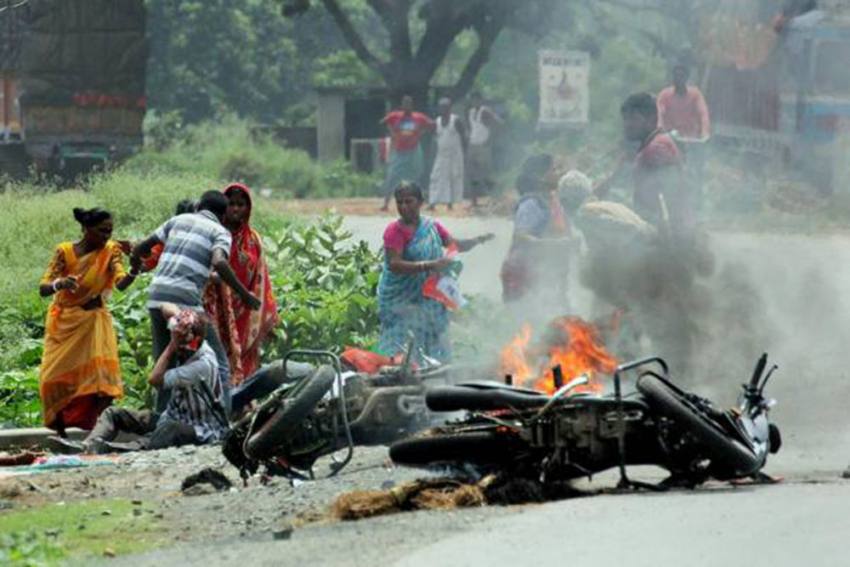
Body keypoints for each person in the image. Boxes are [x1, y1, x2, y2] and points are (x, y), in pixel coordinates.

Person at [130, 191, 261, 414]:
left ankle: (161, 419)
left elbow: (141, 248)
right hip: (186, 301)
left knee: (165, 359)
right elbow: (219, 261)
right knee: (220, 362)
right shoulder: (220, 231)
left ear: (199, 205)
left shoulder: (177, 220)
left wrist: (134, 266)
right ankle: (224, 419)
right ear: (222, 214)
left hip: (156, 297)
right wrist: (244, 295)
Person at [51, 307, 228, 454]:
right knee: (113, 413)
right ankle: (88, 445)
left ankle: (114, 449)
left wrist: (171, 346)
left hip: (198, 428)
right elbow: (165, 307)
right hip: (171, 417)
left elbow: (154, 379)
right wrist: (177, 320)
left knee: (168, 430)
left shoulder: (202, 364)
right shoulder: (188, 339)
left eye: (181, 346)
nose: (179, 351)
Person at [38, 208, 138, 435]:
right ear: (85, 229)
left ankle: (96, 431)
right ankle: (60, 430)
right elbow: (43, 287)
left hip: (95, 324)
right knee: (52, 380)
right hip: (65, 323)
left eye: (110, 232)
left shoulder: (111, 251)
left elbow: (120, 282)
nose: (106, 237)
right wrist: (60, 284)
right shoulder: (64, 251)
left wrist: (134, 270)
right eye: (102, 231)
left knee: (102, 382)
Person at [378, 182, 493, 362]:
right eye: (399, 202)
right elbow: (395, 264)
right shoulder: (394, 231)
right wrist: (430, 265)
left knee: (433, 338)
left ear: (420, 202)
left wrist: (478, 240)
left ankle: (434, 375)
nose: (403, 207)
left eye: (409, 201)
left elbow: (453, 244)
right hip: (400, 299)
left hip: (428, 297)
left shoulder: (431, 227)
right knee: (400, 344)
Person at [204, 183, 279, 386]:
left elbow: (262, 278)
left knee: (244, 360)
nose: (236, 209)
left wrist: (266, 318)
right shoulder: (215, 234)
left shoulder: (253, 240)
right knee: (217, 357)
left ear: (248, 208)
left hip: (245, 311)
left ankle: (242, 405)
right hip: (217, 306)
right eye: (231, 204)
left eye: (241, 204)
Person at [597, 92, 692, 237]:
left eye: (634, 119)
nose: (627, 124)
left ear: (651, 119)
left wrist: (670, 242)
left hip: (660, 236)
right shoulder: (646, 146)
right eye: (625, 119)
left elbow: (672, 198)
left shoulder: (657, 149)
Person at [500, 155, 574, 305]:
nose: (559, 173)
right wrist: (555, 245)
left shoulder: (553, 201)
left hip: (546, 274)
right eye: (554, 169)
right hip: (523, 274)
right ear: (540, 177)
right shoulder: (531, 204)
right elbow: (522, 237)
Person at [380, 95, 435, 211]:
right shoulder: (395, 116)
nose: (407, 106)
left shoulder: (418, 117)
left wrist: (420, 133)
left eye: (409, 104)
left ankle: (419, 203)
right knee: (392, 176)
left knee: (416, 176)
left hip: (414, 150)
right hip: (399, 151)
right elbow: (383, 122)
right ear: (402, 105)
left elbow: (432, 124)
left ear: (412, 105)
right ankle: (386, 203)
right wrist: (393, 133)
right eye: (405, 104)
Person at [428, 97, 466, 211]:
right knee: (435, 177)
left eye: (446, 107)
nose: (443, 109)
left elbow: (464, 137)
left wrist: (465, 153)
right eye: (441, 107)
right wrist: (432, 153)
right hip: (441, 155)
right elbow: (435, 138)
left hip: (455, 155)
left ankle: (450, 204)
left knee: (453, 178)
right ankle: (432, 202)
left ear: (450, 108)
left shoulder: (456, 120)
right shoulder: (437, 121)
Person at [466, 91, 503, 209]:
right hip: (473, 145)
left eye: (477, 100)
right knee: (472, 175)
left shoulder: (485, 111)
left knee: (486, 175)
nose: (474, 102)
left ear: (481, 100)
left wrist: (490, 140)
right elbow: (473, 128)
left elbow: (498, 123)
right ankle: (474, 202)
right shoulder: (471, 112)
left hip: (483, 146)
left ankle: (496, 197)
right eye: (473, 100)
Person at [657, 64, 711, 140]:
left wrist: (705, 133)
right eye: (676, 76)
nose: (678, 79)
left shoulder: (695, 95)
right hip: (670, 137)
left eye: (681, 76)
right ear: (673, 78)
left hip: (690, 138)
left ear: (686, 78)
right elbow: (659, 114)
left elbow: (703, 114)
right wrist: (659, 130)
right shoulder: (664, 95)